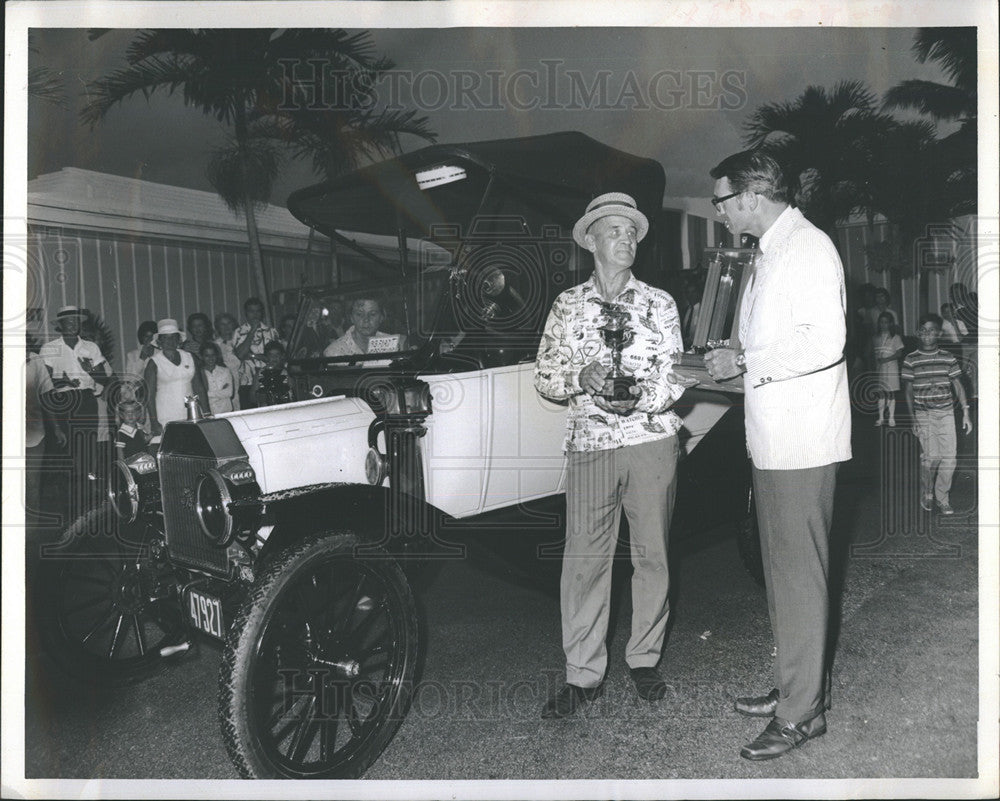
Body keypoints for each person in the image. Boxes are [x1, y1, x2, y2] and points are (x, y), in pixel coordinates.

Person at [704, 150, 851, 761]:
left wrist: (744, 363)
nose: (716, 212)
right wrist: (730, 369)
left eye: (720, 200)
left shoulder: (807, 248)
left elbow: (825, 340)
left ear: (750, 197)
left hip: (801, 444)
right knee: (782, 576)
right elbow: (771, 346)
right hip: (774, 441)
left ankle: (801, 714)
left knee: (798, 578)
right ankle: (798, 683)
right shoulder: (769, 253)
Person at [534, 192, 693, 719]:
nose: (627, 240)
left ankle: (644, 658)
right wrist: (580, 377)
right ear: (592, 241)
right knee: (583, 562)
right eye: (616, 232)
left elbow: (675, 377)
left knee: (653, 555)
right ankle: (583, 674)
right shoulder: (567, 305)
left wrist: (637, 397)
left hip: (651, 441)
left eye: (633, 233)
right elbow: (546, 377)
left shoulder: (660, 303)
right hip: (591, 448)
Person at [40, 306, 113, 511]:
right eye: (68, 321)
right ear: (60, 326)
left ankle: (86, 500)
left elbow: (104, 379)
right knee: (66, 450)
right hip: (63, 401)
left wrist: (89, 370)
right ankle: (67, 503)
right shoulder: (49, 348)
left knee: (87, 448)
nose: (73, 325)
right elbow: (44, 383)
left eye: (76, 321)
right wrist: (61, 381)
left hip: (86, 400)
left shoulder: (91, 347)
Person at [901, 314, 973, 515]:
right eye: (923, 330)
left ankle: (942, 498)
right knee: (931, 457)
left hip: (946, 413)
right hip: (923, 414)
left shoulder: (947, 357)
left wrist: (966, 413)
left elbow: (958, 385)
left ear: (939, 333)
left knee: (949, 458)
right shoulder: (910, 359)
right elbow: (907, 390)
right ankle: (927, 491)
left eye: (931, 330)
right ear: (918, 333)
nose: (927, 334)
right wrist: (912, 417)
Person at [26, 342, 66, 529]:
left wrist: (56, 427)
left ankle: (30, 534)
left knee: (32, 485)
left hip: (34, 435)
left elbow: (46, 396)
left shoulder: (35, 360)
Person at [144, 319, 208, 435]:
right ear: (159, 341)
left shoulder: (190, 357)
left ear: (178, 339)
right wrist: (154, 422)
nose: (170, 341)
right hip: (165, 416)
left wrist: (207, 413)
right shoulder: (153, 363)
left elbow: (199, 387)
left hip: (191, 413)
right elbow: (149, 395)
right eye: (166, 337)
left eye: (173, 337)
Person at [234, 297, 279, 410]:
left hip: (269, 379)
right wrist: (252, 330)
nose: (255, 314)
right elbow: (240, 354)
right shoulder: (239, 332)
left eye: (258, 311)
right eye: (251, 311)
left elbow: (277, 356)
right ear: (246, 313)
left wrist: (253, 356)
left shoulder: (271, 331)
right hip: (247, 382)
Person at [323, 298, 402, 357]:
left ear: (381, 317)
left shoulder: (393, 345)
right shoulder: (334, 352)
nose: (366, 320)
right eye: (359, 314)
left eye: (372, 314)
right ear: (351, 318)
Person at [871, 312, 903, 427]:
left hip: (892, 368)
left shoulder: (895, 337)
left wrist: (886, 359)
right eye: (881, 322)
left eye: (886, 322)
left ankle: (891, 418)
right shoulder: (876, 337)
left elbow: (899, 353)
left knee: (891, 392)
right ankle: (880, 418)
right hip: (880, 369)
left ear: (890, 324)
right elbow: (874, 355)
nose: (883, 325)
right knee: (881, 393)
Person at [123, 320, 159, 407]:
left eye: (152, 337)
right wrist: (141, 359)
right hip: (138, 396)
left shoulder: (160, 353)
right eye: (146, 336)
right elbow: (129, 378)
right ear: (141, 338)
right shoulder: (132, 355)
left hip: (158, 394)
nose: (149, 340)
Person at [200, 341, 239, 414]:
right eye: (207, 355)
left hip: (226, 411)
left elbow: (229, 393)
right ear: (202, 357)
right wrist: (221, 392)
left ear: (216, 356)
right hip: (208, 413)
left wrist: (206, 394)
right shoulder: (199, 373)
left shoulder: (225, 371)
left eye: (213, 355)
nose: (210, 358)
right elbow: (199, 396)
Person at [254, 341, 295, 407]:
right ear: (266, 357)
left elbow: (293, 393)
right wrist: (261, 397)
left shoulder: (287, 373)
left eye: (277, 354)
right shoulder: (260, 374)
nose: (274, 357)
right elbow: (252, 398)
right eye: (270, 355)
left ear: (282, 356)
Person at [214, 312, 245, 384]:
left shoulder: (241, 341)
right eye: (222, 324)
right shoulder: (215, 345)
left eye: (229, 323)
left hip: (245, 380)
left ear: (233, 325)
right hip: (225, 382)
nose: (226, 326)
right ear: (218, 327)